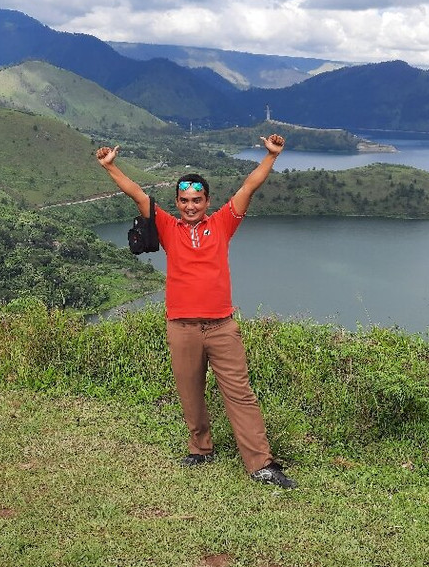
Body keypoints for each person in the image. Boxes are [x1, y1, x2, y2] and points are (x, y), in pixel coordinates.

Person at [95, 135, 297, 489]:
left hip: (221, 326)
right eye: (185, 200)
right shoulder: (167, 227)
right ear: (176, 202)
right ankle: (201, 448)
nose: (190, 206)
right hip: (182, 326)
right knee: (190, 392)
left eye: (197, 200)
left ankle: (261, 464)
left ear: (207, 201)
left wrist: (271, 157)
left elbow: (249, 186)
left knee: (240, 394)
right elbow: (137, 194)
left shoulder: (222, 223)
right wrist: (110, 166)